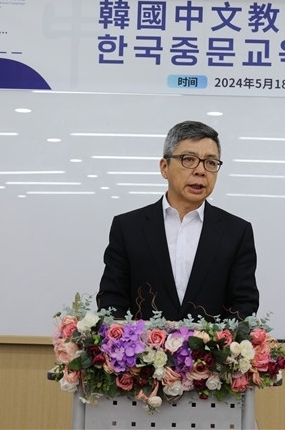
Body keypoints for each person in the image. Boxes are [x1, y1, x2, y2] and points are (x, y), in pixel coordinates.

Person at [97, 120, 259, 321]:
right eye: (188, 159)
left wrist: (214, 341)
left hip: (210, 343)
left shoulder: (237, 232)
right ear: (164, 167)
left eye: (210, 162)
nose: (201, 171)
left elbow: (244, 304)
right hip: (141, 342)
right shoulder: (128, 228)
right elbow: (112, 300)